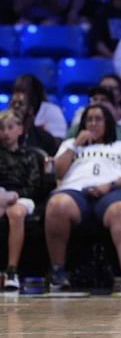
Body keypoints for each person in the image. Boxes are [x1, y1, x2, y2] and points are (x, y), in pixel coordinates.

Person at [46, 104, 121, 291]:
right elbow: (57, 173)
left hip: (112, 192)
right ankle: (58, 271)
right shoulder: (69, 145)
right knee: (56, 204)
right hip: (75, 191)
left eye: (98, 119)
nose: (93, 124)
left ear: (108, 124)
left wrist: (109, 186)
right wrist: (75, 145)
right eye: (89, 120)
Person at [0, 110, 40, 291]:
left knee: (15, 213)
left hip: (23, 198)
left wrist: (14, 195)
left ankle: (12, 270)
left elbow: (34, 186)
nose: (5, 133)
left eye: (10, 128)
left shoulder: (29, 155)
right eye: (1, 128)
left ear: (20, 130)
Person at [13, 74, 67, 140]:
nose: (16, 106)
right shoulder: (10, 114)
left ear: (34, 95)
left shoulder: (52, 111)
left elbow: (58, 142)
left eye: (24, 92)